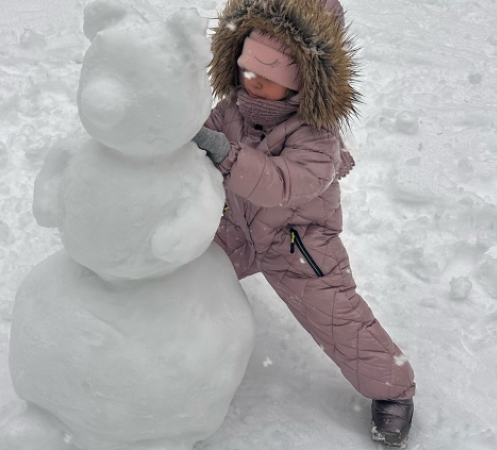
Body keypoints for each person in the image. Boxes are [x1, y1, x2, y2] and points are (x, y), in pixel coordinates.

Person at [192, 0, 417, 447]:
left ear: (301, 82)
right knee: (181, 266)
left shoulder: (317, 135)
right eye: (247, 74)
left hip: (296, 244)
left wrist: (226, 154)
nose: (252, 87)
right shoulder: (232, 109)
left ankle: (393, 389)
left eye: (268, 81)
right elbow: (200, 135)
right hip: (236, 227)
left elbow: (280, 183)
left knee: (338, 319)